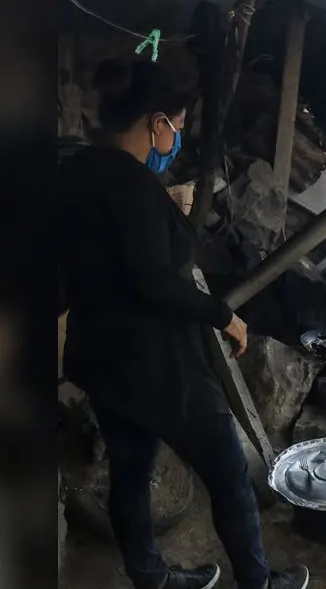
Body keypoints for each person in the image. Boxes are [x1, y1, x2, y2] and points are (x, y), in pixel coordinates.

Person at [57, 59, 308, 589]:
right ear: (155, 123)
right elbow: (155, 283)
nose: (175, 137)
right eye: (176, 123)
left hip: (102, 356)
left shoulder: (76, 169)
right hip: (156, 363)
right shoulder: (132, 186)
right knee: (230, 475)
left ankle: (151, 578)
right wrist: (224, 316)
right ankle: (258, 583)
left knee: (131, 470)